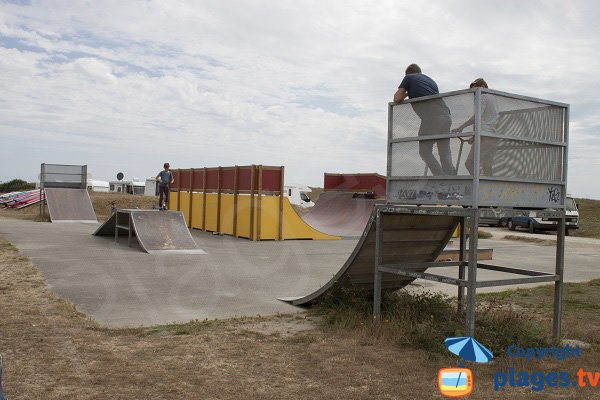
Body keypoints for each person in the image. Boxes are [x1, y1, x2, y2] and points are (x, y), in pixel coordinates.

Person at [393, 63, 455, 175]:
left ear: (408, 73)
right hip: (446, 115)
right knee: (444, 151)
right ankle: (450, 177)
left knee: (425, 152)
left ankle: (439, 176)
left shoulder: (409, 77)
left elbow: (397, 98)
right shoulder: (431, 81)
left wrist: (406, 92)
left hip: (431, 117)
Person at [452, 78, 499, 175]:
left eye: (475, 91)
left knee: (469, 163)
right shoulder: (494, 98)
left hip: (484, 136)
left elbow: (477, 117)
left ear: (482, 87)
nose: (474, 94)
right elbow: (485, 120)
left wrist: (461, 127)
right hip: (493, 137)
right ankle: (487, 188)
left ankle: (478, 186)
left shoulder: (483, 96)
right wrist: (474, 137)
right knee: (487, 167)